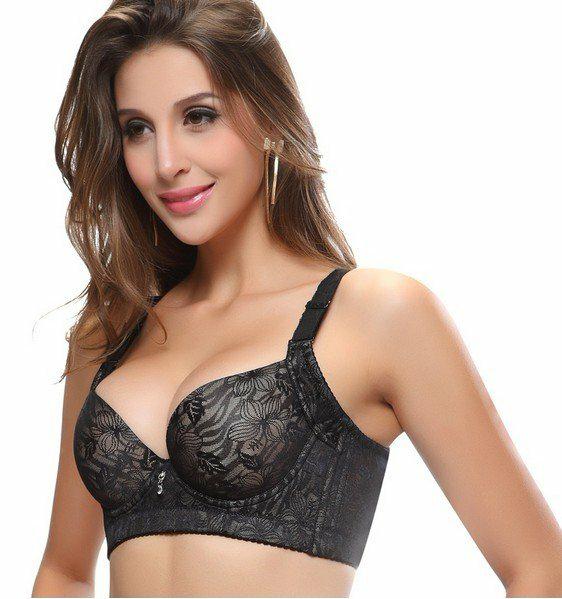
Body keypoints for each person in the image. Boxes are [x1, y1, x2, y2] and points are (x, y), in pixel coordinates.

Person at [32, 1, 562, 597]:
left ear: (266, 111)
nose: (167, 163)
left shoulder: (375, 315)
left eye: (199, 116)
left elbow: (541, 568)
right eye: (138, 128)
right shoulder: (109, 333)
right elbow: (64, 573)